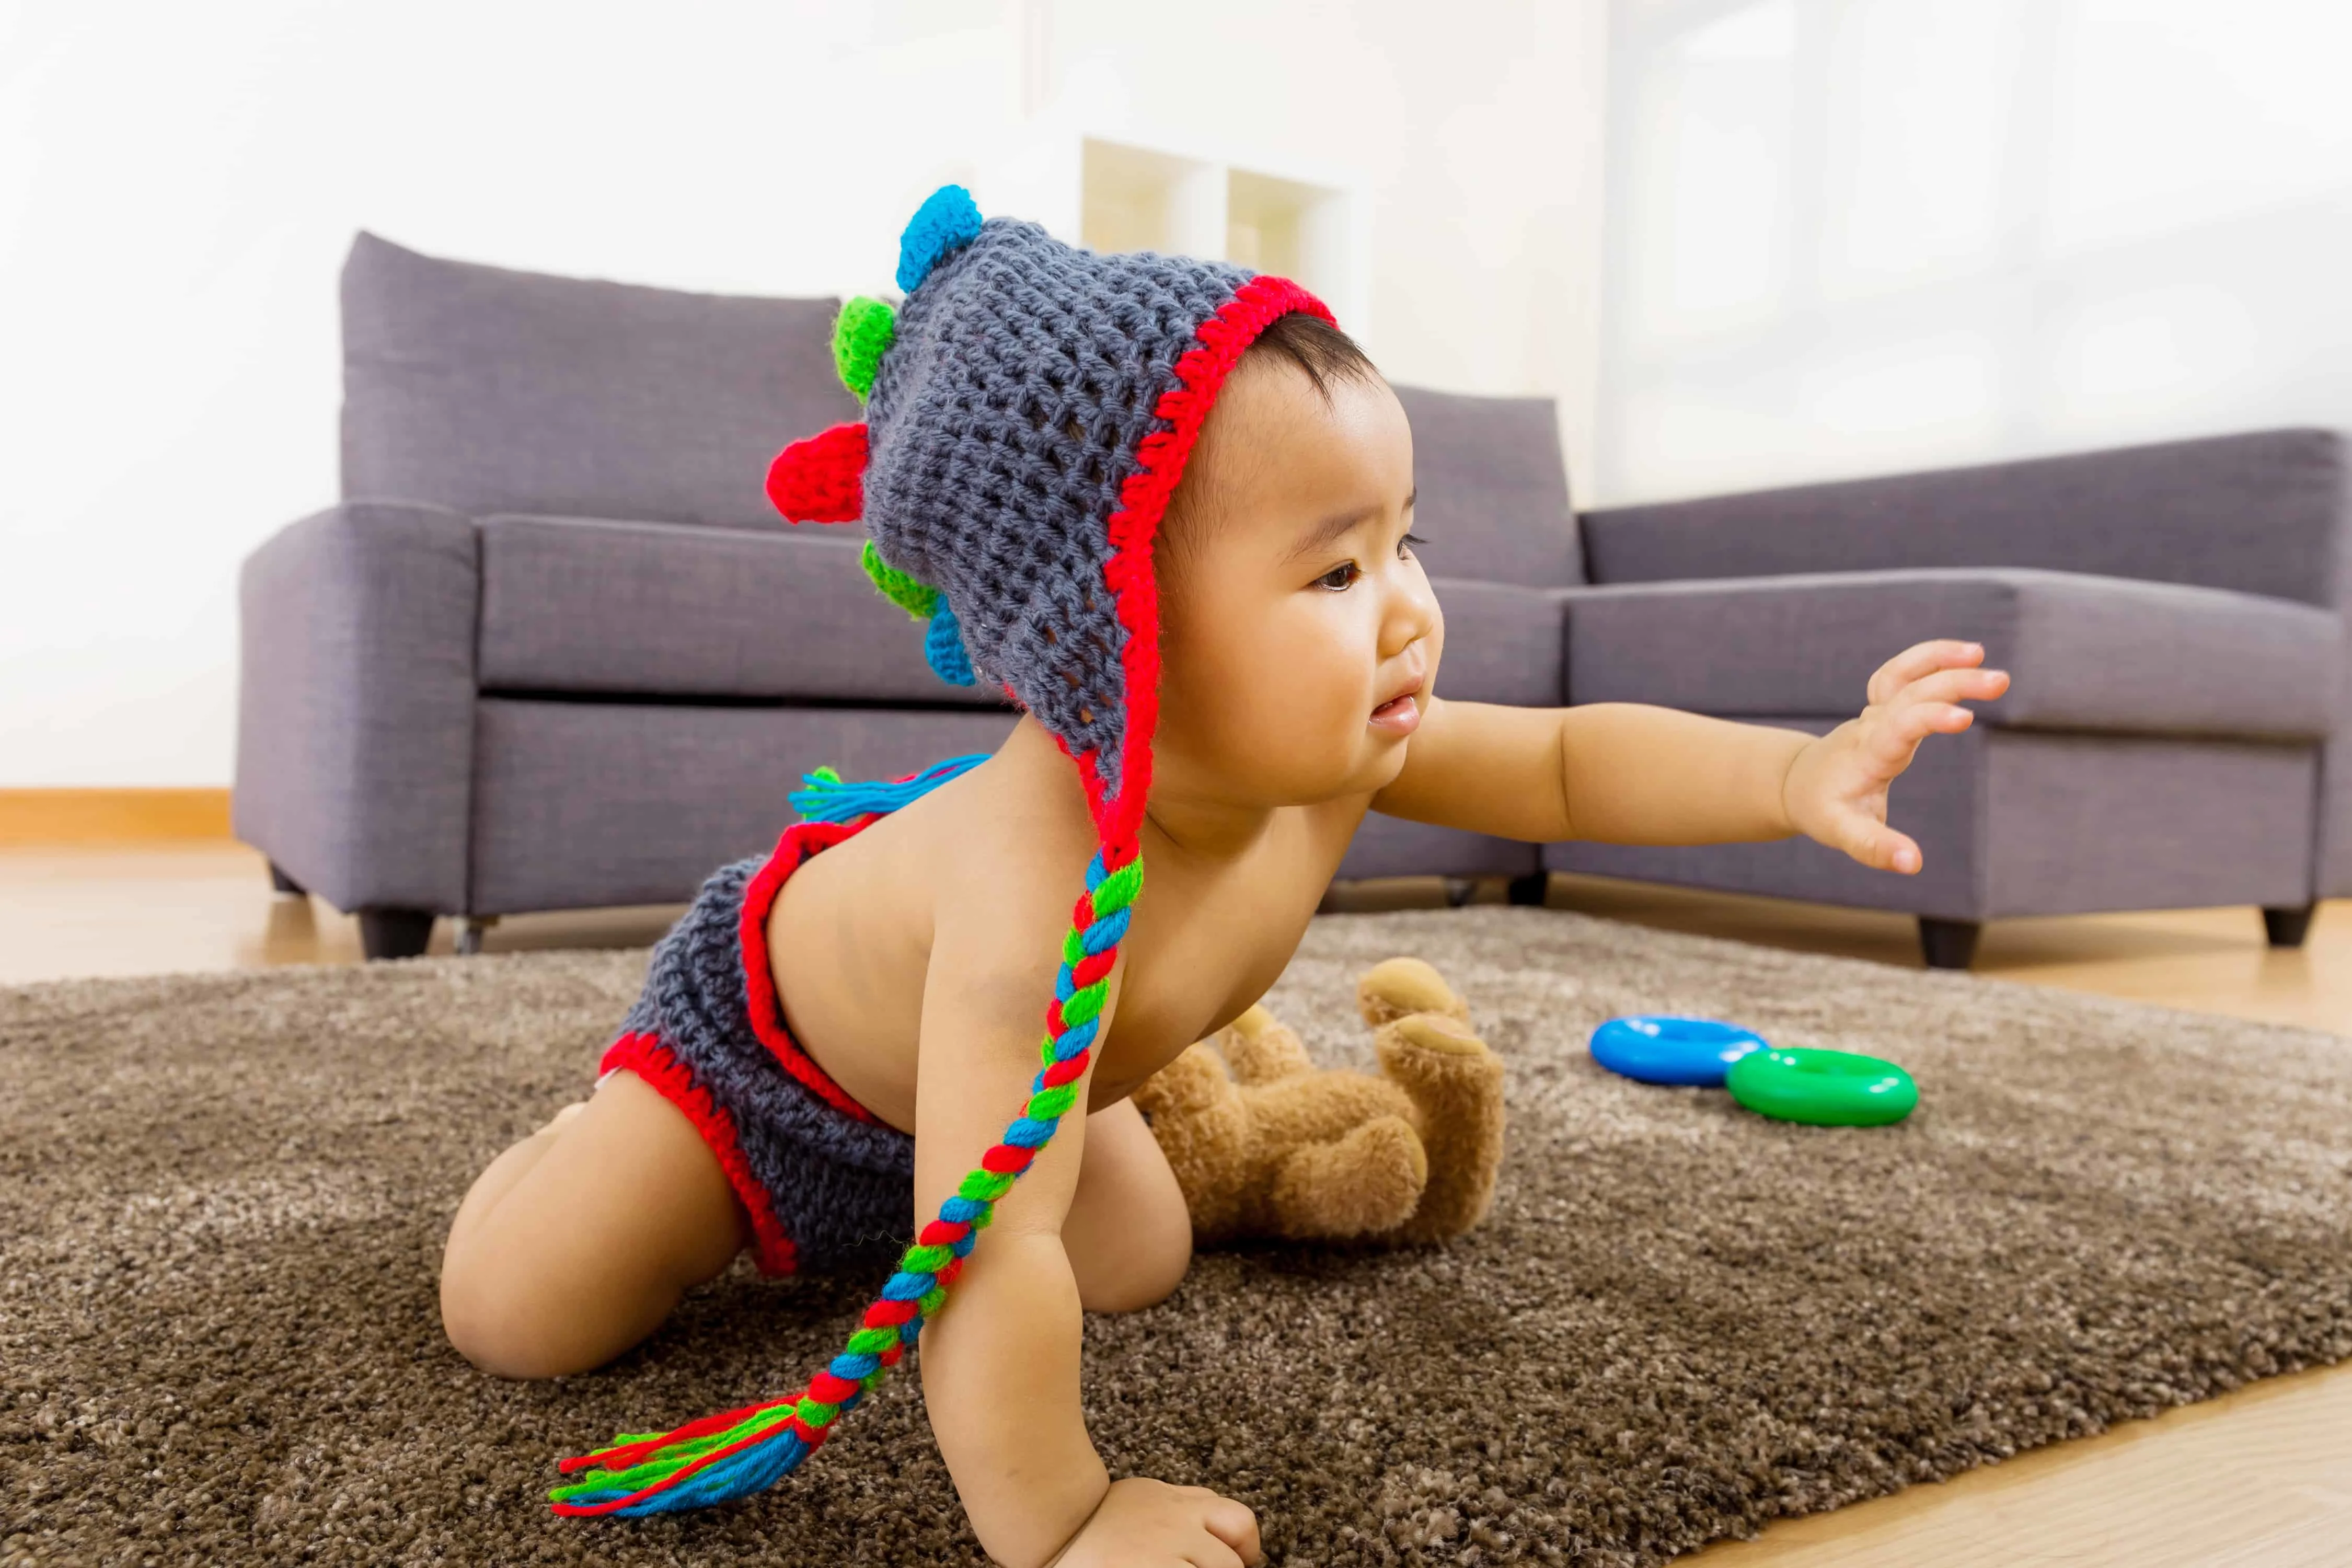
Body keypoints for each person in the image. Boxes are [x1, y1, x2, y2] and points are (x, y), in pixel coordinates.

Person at [437, 187, 2008, 1568]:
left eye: (1405, 541)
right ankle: (588, 1136)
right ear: (1115, 634)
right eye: (1333, 571)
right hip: (764, 1071)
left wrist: (1791, 774)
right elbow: (987, 1245)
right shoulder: (1036, 899)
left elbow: (1566, 763)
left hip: (1013, 1088)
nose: (1403, 611)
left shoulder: (1342, 747)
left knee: (1138, 1261)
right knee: (522, 1319)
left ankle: (996, 1150)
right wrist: (1062, 1517)